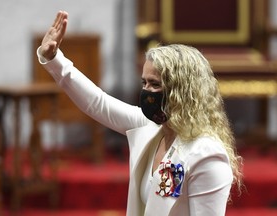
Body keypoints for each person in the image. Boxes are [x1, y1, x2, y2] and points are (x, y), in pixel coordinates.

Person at [37, 11, 242, 216]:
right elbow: (97, 103)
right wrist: (54, 59)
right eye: (144, 83)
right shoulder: (150, 127)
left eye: (155, 84)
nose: (147, 92)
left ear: (181, 91)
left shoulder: (207, 155)